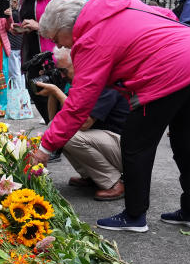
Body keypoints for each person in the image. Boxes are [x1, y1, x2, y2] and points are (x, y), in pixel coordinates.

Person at [25, 0, 190, 232]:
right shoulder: (118, 6)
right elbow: (167, 15)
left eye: (57, 38)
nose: (59, 46)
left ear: (68, 26)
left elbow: (79, 105)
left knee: (135, 142)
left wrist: (45, 148)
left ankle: (134, 216)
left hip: (166, 69)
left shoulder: (91, 37)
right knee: (187, 141)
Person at [34, 47, 127, 201]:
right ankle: (92, 176)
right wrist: (53, 93)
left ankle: (113, 182)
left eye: (64, 71)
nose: (62, 75)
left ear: (79, 64)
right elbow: (54, 120)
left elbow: (83, 123)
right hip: (107, 142)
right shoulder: (80, 81)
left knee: (69, 134)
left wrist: (57, 92)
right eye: (59, 71)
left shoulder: (104, 80)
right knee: (55, 129)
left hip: (126, 149)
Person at [10, 0, 79, 123]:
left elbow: (72, 21)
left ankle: (61, 140)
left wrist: (39, 26)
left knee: (56, 101)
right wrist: (21, 27)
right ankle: (54, 139)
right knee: (39, 94)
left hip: (56, 58)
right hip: (34, 56)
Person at [3, 0, 34, 119]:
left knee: (15, 74)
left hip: (14, 46)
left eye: (14, 2)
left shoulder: (15, 14)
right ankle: (22, 96)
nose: (12, 4)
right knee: (20, 74)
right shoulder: (21, 14)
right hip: (19, 45)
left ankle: (18, 97)